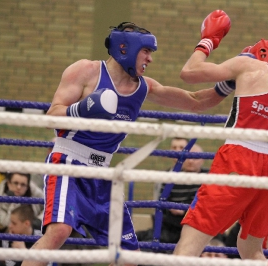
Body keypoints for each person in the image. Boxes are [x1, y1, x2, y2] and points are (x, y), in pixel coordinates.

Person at [21, 21, 227, 266]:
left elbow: (195, 102)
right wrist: (82, 109)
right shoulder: (86, 71)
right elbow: (51, 117)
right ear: (126, 48)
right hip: (68, 162)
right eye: (147, 51)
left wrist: (228, 84)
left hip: (103, 174)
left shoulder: (144, 87)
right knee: (59, 231)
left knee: (128, 257)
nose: (150, 59)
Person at [173, 10, 268, 261]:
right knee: (251, 249)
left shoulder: (250, 65)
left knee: (190, 242)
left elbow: (189, 72)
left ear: (262, 53)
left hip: (240, 159)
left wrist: (208, 40)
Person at [137, 140, 207, 244]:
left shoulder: (209, 177)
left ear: (202, 160)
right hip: (170, 224)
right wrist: (170, 206)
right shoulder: (170, 176)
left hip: (197, 225)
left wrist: (184, 210)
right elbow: (161, 200)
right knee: (137, 239)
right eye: (188, 157)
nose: (191, 161)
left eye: (195, 157)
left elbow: (207, 202)